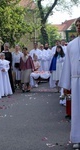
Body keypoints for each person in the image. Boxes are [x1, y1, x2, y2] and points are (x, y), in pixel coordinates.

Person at [59, 17, 80, 149]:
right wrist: (66, 86)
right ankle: (78, 137)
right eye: (77, 25)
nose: (78, 27)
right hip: (76, 80)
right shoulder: (71, 45)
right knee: (77, 111)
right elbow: (67, 65)